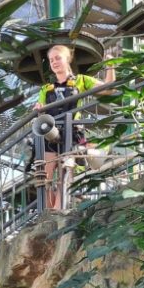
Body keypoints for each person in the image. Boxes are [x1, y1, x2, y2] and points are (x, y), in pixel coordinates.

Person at [33, 44, 99, 210]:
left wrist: (111, 66)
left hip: (72, 132)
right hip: (50, 132)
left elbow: (108, 88)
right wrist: (38, 109)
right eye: (51, 60)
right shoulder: (46, 88)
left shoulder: (81, 80)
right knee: (44, 177)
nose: (54, 62)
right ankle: (48, 213)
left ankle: (58, 210)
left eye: (58, 58)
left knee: (65, 173)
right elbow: (40, 108)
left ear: (67, 59)